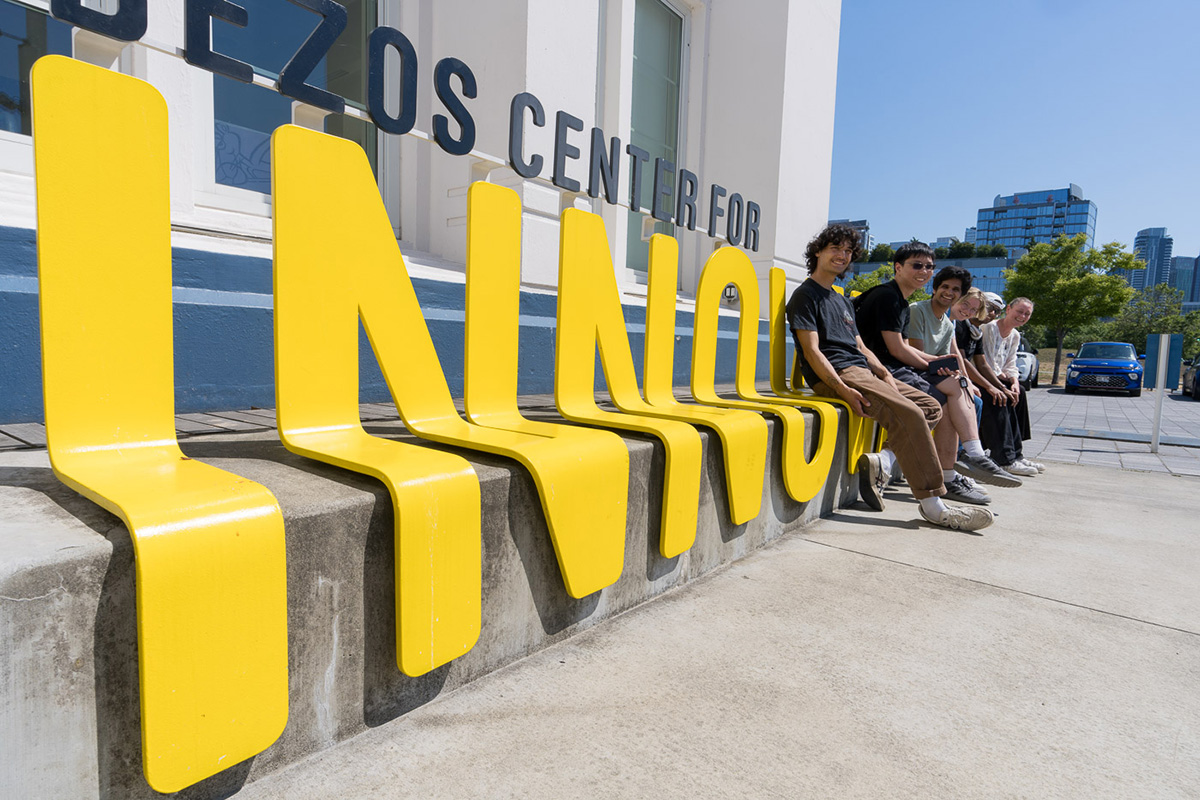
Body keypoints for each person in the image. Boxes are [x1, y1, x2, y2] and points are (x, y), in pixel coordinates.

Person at [787, 225, 993, 532]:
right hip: (840, 373)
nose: (842, 255)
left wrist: (884, 374)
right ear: (817, 251)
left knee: (931, 407)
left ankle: (883, 462)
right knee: (910, 413)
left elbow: (861, 346)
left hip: (864, 370)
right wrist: (842, 389)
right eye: (835, 248)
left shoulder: (841, 301)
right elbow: (812, 351)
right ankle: (934, 505)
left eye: (847, 251)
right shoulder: (805, 295)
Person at [851, 247, 1020, 506]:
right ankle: (960, 463)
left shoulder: (902, 303)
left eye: (928, 267)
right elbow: (899, 351)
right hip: (875, 369)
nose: (923, 271)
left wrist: (945, 366)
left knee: (958, 390)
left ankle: (958, 465)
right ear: (898, 267)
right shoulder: (893, 299)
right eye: (916, 265)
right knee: (947, 396)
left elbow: (908, 349)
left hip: (893, 366)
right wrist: (937, 364)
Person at [904, 269, 1017, 504]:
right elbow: (916, 354)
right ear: (934, 288)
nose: (950, 293)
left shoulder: (947, 322)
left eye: (956, 290)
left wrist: (967, 382)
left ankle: (953, 471)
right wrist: (962, 379)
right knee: (955, 394)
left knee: (967, 395)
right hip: (913, 371)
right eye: (945, 287)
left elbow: (954, 358)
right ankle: (969, 457)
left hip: (932, 373)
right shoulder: (918, 310)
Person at [976, 296, 1045, 476]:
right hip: (981, 377)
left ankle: (1017, 454)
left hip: (998, 376)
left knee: (1020, 392)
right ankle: (1004, 458)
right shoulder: (990, 328)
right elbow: (987, 363)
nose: (1022, 316)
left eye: (1027, 314)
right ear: (1008, 310)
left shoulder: (1015, 335)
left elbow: (1011, 363)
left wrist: (1014, 381)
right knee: (1000, 396)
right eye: (1019, 312)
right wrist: (1004, 385)